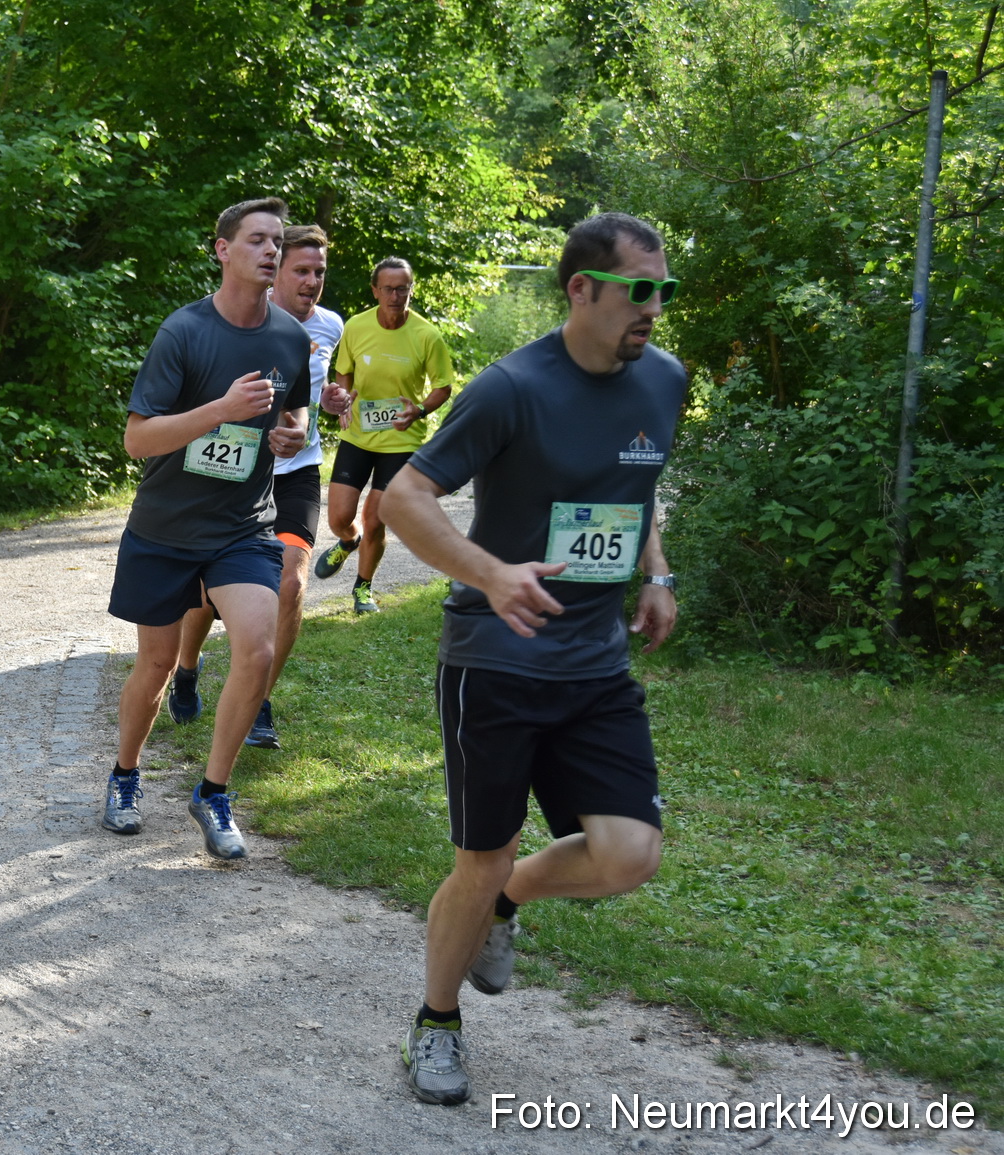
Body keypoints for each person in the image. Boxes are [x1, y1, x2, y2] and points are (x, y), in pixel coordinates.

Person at [379, 212, 686, 1105]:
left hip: (594, 662)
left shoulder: (662, 380)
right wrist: (491, 574)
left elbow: (642, 481)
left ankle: (506, 902)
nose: (655, 310)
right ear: (581, 289)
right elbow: (406, 495)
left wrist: (658, 572)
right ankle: (436, 1022)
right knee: (481, 852)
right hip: (496, 658)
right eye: (640, 290)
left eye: (664, 291)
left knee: (630, 854)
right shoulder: (510, 387)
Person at [102, 197, 313, 859]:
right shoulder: (184, 332)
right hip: (166, 526)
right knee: (157, 666)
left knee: (256, 646)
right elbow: (137, 439)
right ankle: (125, 774)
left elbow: (298, 413)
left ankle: (214, 791)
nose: (271, 251)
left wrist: (289, 433)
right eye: (256, 239)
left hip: (241, 525)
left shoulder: (288, 337)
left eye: (277, 240)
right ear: (222, 249)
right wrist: (219, 410)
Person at [168, 224, 344, 750]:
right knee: (206, 588)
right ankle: (187, 665)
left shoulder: (332, 325)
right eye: (302, 271)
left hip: (297, 474)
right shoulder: (241, 321)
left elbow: (319, 391)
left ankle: (259, 697)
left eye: (320, 272)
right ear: (275, 270)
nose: (312, 282)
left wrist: (333, 402)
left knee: (290, 584)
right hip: (235, 471)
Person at [314, 258, 454, 614]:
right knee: (339, 518)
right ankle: (348, 540)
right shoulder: (356, 327)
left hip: (401, 440)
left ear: (411, 289)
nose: (396, 295)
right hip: (359, 436)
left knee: (377, 518)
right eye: (388, 288)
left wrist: (419, 410)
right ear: (375, 290)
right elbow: (343, 371)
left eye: (403, 288)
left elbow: (443, 387)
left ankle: (363, 590)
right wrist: (344, 399)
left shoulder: (427, 335)